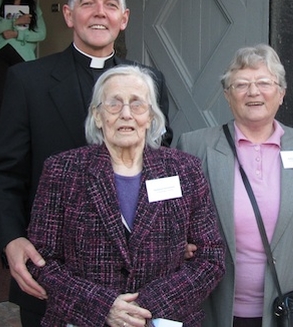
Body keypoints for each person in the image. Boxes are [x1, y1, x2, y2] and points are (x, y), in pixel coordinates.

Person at [0, 0, 172, 327]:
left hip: (136, 283)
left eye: (111, 5)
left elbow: (161, 167)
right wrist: (11, 239)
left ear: (124, 19)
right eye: (88, 3)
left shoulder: (150, 82)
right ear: (69, 15)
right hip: (55, 275)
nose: (100, 12)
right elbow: (4, 176)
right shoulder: (28, 81)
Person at [27, 64, 225, 326]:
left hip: (164, 319)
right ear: (97, 116)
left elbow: (210, 258)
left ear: (152, 117)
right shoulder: (62, 171)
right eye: (113, 104)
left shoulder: (184, 170)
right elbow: (41, 260)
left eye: (137, 104)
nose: (126, 114)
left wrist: (144, 305)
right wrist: (102, 306)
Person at [177, 44, 293, 327]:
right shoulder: (196, 146)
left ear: (281, 93)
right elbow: (170, 227)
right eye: (241, 84)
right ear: (227, 95)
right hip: (215, 311)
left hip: (288, 313)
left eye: (264, 83)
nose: (253, 92)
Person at [0, 0, 47, 146]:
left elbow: (41, 34)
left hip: (23, 55)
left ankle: (21, 142)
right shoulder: (0, 4)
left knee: (23, 100)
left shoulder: (34, 8)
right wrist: (14, 22)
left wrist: (17, 33)